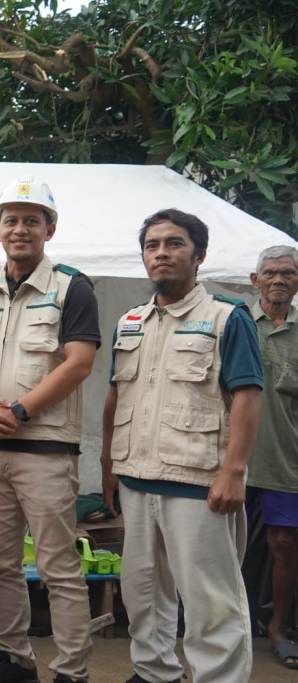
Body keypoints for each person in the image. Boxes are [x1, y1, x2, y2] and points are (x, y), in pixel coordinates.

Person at [101, 208, 262, 683]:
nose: (161, 253)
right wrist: (109, 466)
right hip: (136, 480)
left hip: (199, 483)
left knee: (210, 602)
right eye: (152, 245)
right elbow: (115, 395)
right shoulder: (130, 321)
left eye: (174, 244)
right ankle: (154, 673)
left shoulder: (226, 317)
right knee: (143, 593)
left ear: (199, 255)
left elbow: (247, 397)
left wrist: (233, 472)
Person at [0, 177, 99, 683]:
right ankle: (14, 661)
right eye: (11, 220)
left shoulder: (72, 288)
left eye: (32, 220)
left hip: (46, 450)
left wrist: (20, 410)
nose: (20, 229)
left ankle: (71, 671)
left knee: (59, 567)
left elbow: (79, 363)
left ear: (49, 229)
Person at [245, 245, 298, 669]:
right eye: (270, 272)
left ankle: (278, 629)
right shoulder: (235, 323)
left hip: (286, 458)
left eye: (288, 273)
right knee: (223, 544)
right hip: (232, 458)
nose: (278, 279)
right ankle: (223, 627)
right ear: (255, 280)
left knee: (284, 545)